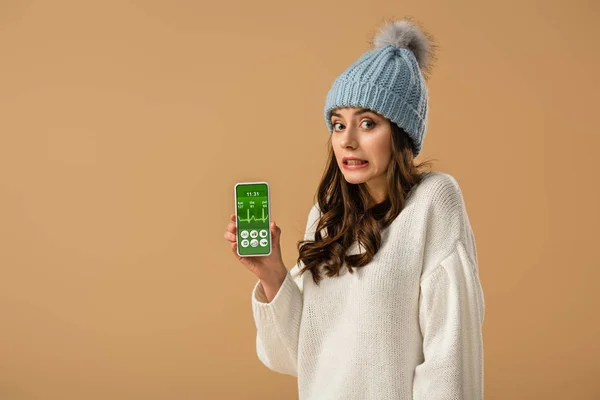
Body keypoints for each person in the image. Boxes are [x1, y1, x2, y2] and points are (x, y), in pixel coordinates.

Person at [223, 17, 485, 400]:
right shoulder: (327, 217)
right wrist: (273, 275)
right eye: (337, 124)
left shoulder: (433, 202)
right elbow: (297, 357)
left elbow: (450, 357)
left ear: (400, 133)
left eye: (367, 123)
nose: (347, 141)